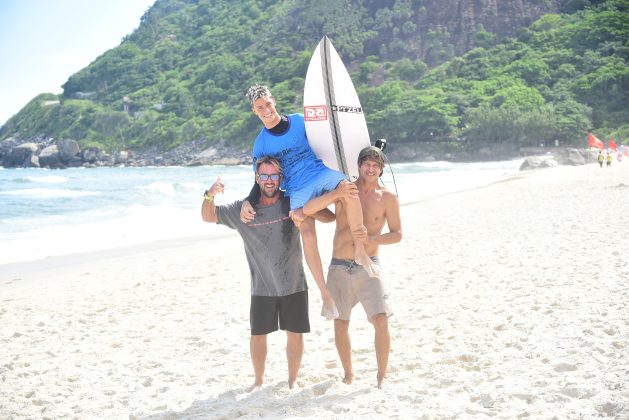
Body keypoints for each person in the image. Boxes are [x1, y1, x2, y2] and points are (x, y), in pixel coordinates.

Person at [241, 84, 378, 318]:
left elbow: (331, 139)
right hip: (295, 186)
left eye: (267, 104)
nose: (266, 110)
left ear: (274, 101)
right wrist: (248, 201)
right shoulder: (261, 144)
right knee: (307, 235)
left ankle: (358, 249)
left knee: (350, 190)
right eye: (259, 108)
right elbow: (261, 179)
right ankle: (326, 295)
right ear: (254, 111)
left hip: (319, 171)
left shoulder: (299, 121)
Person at [201, 156, 334, 390]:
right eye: (264, 175)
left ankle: (293, 379)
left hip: (294, 282)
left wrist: (304, 211)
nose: (269, 180)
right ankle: (259, 381)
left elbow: (328, 217)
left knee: (295, 333)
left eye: (274, 176)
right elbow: (208, 216)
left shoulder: (292, 200)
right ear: (257, 177)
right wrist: (209, 194)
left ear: (280, 178)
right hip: (261, 286)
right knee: (258, 335)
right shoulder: (243, 210)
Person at [302, 146, 402, 388]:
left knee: (381, 320)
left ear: (381, 169)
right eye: (366, 164)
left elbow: (397, 234)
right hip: (339, 266)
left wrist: (372, 240)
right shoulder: (344, 189)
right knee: (341, 322)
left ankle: (382, 375)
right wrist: (330, 196)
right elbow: (311, 208)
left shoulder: (388, 197)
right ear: (359, 166)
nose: (370, 168)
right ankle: (349, 374)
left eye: (375, 165)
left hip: (369, 266)